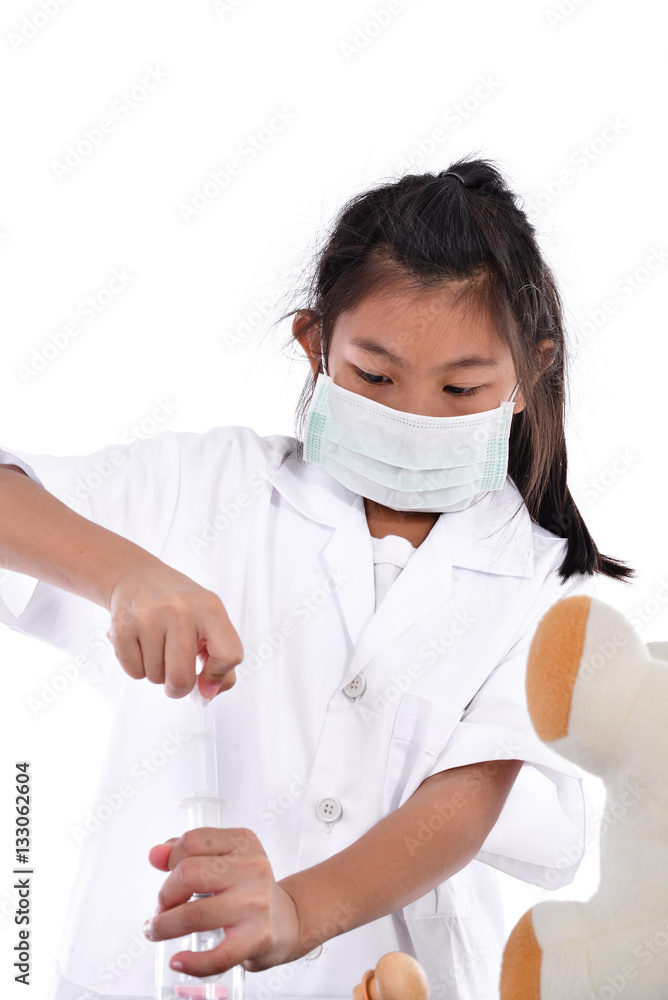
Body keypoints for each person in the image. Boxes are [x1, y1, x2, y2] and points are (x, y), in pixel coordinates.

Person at [0, 155, 634, 1000]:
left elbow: (467, 798)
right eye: (375, 376)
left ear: (528, 377)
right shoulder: (210, 488)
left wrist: (297, 910)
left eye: (460, 387)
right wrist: (126, 575)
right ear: (315, 345)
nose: (413, 416)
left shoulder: (542, 584)